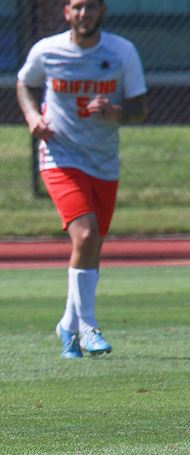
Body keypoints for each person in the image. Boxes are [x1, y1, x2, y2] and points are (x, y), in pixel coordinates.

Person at [17, 0, 147, 359]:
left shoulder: (122, 52)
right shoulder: (47, 51)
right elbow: (24, 83)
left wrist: (114, 111)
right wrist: (32, 117)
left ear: (102, 11)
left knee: (91, 246)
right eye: (77, 7)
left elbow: (141, 107)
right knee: (86, 233)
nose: (84, 14)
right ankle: (88, 327)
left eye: (91, 7)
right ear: (66, 12)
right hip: (60, 157)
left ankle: (67, 325)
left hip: (103, 162)